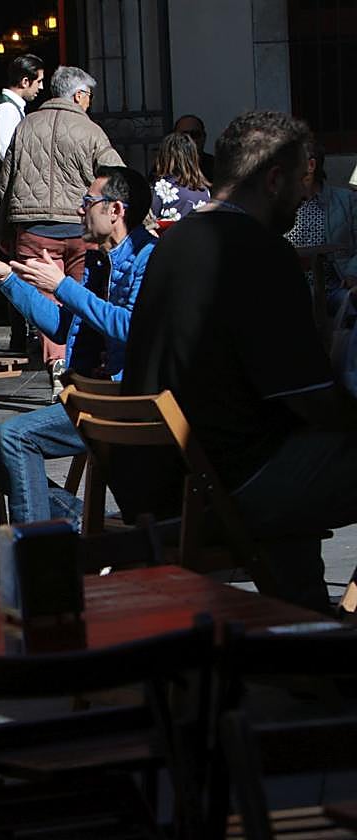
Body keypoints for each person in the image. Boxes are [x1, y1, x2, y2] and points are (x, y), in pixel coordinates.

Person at [122, 110, 357, 614]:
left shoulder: (171, 244)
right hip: (230, 486)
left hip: (162, 481)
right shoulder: (259, 253)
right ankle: (309, 632)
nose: (303, 196)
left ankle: (304, 628)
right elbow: (312, 400)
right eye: (300, 181)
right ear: (274, 180)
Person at [0, 166, 156, 525]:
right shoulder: (98, 260)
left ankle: (37, 552)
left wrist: (64, 286)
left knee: (17, 437)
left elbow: (130, 328)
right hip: (87, 393)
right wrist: (6, 278)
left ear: (115, 211)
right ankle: (82, 523)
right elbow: (66, 329)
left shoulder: (148, 258)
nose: (80, 210)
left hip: (122, 398)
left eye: (88, 202)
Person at [0, 65, 124, 402]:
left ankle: (56, 364)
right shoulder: (90, 130)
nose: (89, 103)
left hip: (33, 225)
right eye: (89, 96)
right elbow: (117, 176)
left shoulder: (26, 125)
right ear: (79, 95)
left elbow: (6, 181)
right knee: (81, 296)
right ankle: (80, 368)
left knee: (45, 298)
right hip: (80, 225)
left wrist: (1, 228)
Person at [284, 142, 357, 313]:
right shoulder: (281, 205)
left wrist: (352, 274)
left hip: (336, 287)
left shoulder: (346, 200)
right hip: (292, 292)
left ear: (311, 166)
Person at [0, 53, 46, 175]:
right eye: (38, 81)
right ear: (25, 81)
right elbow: (9, 155)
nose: (41, 87)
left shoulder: (12, 107)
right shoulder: (7, 109)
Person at [150, 131, 211, 222]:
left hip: (171, 235)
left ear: (163, 157)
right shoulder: (204, 190)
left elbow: (150, 220)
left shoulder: (162, 187)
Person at [173, 114, 215, 182]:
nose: (190, 140)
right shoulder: (164, 168)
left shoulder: (217, 167)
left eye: (195, 134)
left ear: (204, 137)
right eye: (184, 136)